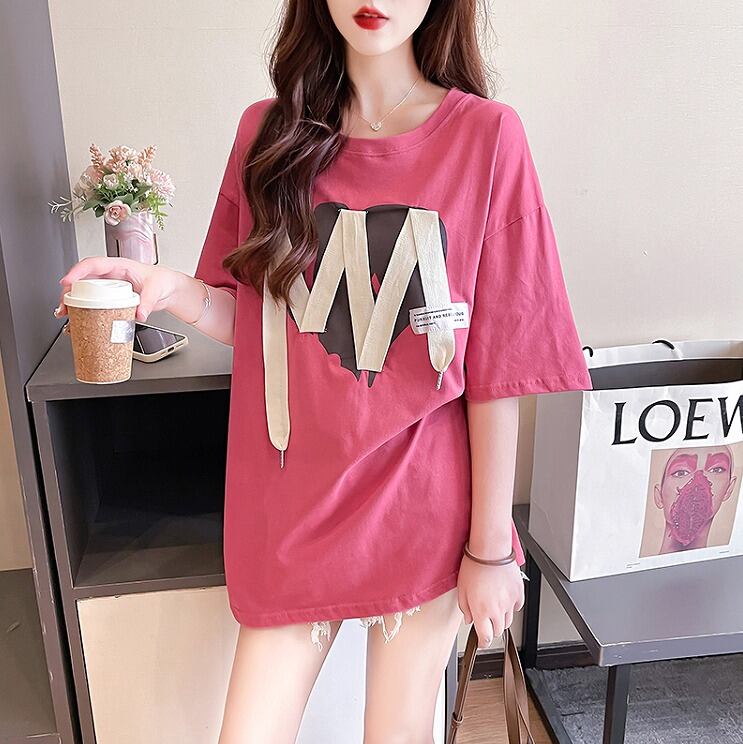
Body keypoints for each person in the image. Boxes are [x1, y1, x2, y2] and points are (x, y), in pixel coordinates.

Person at [55, 1, 593, 740]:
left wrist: (491, 549)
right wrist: (171, 290)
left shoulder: (486, 138)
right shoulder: (267, 135)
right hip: (292, 508)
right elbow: (262, 326)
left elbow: (499, 363)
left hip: (420, 508)